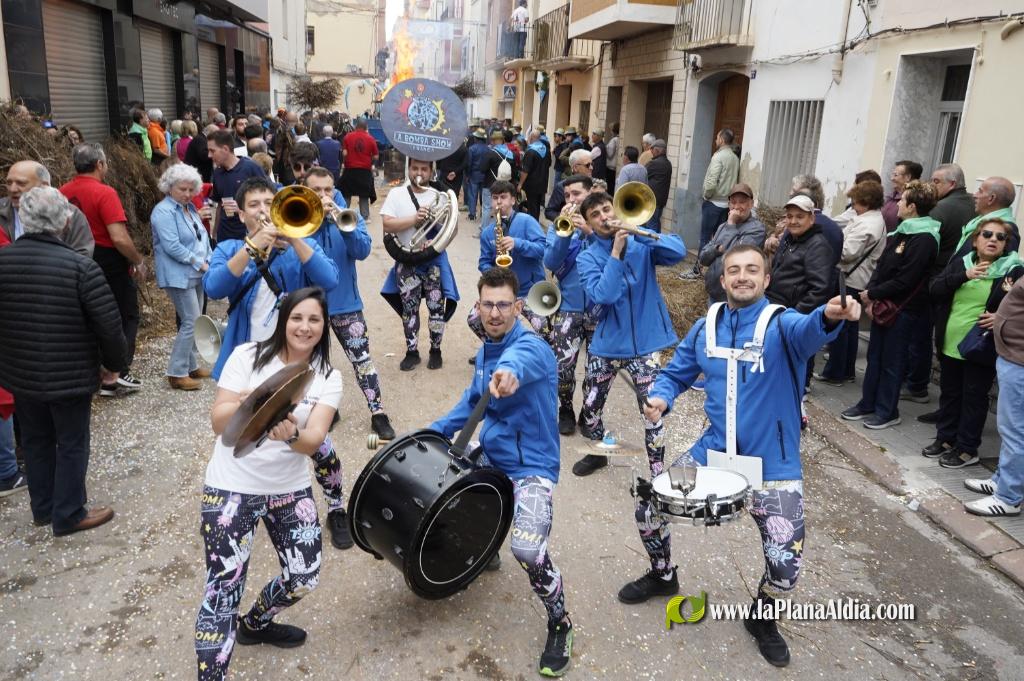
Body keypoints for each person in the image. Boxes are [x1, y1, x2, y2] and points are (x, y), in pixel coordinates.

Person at [632, 245, 857, 667]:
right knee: (649, 508)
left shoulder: (782, 325)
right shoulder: (705, 326)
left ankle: (761, 617)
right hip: (714, 452)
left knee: (785, 571)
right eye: (734, 270)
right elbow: (676, 372)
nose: (742, 277)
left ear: (766, 280)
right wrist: (660, 398)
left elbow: (811, 330)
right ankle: (663, 576)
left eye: (752, 270)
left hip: (774, 466)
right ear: (722, 280)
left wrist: (830, 315)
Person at [430, 267, 573, 677]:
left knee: (528, 552)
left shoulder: (531, 348)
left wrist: (508, 375)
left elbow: (517, 362)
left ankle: (560, 622)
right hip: (491, 450)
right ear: (478, 306)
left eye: (503, 305)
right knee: (441, 483)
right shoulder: (487, 347)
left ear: (518, 307)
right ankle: (486, 547)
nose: (495, 313)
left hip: (530, 465)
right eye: (488, 304)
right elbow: (468, 404)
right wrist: (428, 433)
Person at [194, 288, 341, 679]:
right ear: (283, 320)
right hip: (231, 486)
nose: (304, 327)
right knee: (223, 590)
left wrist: (291, 434)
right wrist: (251, 404)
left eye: (314, 320)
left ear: (324, 326)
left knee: (304, 575)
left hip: (288, 488)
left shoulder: (328, 377)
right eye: (297, 318)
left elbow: (313, 441)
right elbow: (218, 420)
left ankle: (255, 624)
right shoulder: (246, 356)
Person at [0, 186, 128, 535]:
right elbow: (108, 325)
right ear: (66, 219)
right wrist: (114, 366)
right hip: (70, 375)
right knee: (71, 441)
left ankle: (43, 508)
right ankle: (69, 513)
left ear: (24, 218)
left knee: (37, 440)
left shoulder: (4, 260)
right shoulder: (80, 267)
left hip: (22, 372)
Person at [572, 191, 687, 476]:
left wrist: (639, 231)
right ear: (588, 223)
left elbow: (679, 252)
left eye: (606, 209)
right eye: (595, 215)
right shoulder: (587, 257)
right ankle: (599, 452)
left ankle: (658, 474)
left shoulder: (641, 244)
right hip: (607, 344)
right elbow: (604, 295)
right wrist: (615, 254)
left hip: (646, 344)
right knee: (590, 408)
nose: (604, 218)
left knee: (652, 413)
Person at [303, 167, 395, 440]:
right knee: (314, 362)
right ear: (305, 190)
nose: (323, 195)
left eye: (327, 189)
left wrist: (342, 225)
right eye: (316, 190)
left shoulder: (348, 215)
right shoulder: (297, 215)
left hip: (346, 304)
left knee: (362, 360)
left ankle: (378, 412)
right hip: (309, 306)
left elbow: (363, 250)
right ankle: (326, 409)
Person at [924, 218, 1023, 469]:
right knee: (950, 394)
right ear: (975, 240)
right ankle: (945, 439)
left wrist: (1001, 317)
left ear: (1006, 245)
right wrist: (963, 276)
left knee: (974, 398)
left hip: (980, 346)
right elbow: (935, 290)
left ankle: (967, 449)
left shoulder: (1014, 270)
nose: (993, 240)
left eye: (1000, 237)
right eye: (987, 234)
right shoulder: (963, 263)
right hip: (950, 340)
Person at [842, 180, 939, 430]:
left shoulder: (925, 238)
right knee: (876, 357)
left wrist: (872, 292)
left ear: (913, 206)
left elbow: (907, 279)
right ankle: (868, 403)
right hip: (883, 304)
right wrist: (871, 291)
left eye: (903, 200)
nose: (897, 204)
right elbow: (882, 266)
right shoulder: (902, 231)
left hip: (903, 309)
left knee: (892, 362)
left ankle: (887, 410)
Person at [60, 143, 147, 395]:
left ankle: (101, 371)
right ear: (99, 164)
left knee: (91, 316)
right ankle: (118, 372)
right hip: (108, 258)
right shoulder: (105, 192)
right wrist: (137, 259)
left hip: (75, 257)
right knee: (125, 314)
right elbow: (118, 237)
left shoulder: (62, 191)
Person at [379, 157, 460, 371]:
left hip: (434, 262)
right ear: (408, 169)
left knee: (436, 309)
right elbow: (387, 224)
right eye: (415, 168)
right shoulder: (397, 194)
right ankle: (411, 351)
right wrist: (414, 219)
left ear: (431, 171)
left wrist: (437, 240)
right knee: (409, 309)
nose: (419, 173)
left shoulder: (439, 196)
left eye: (424, 169)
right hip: (407, 260)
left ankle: (436, 350)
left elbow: (452, 229)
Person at [963, 275, 1024, 516]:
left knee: (1014, 431)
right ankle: (1001, 480)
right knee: (1010, 429)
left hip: (1019, 362)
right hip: (1013, 358)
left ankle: (1008, 497)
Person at [815, 180, 886, 385]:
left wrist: (826, 246)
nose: (852, 206)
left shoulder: (867, 224)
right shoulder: (870, 219)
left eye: (855, 202)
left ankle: (836, 372)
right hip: (855, 278)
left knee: (841, 325)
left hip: (850, 279)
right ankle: (845, 370)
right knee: (850, 327)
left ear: (865, 201)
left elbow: (847, 253)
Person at [150, 163, 213, 390]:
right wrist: (202, 263)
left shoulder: (189, 208)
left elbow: (201, 238)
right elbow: (172, 246)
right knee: (191, 321)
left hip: (196, 272)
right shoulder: (163, 211)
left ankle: (191, 365)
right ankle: (176, 372)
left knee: (196, 321)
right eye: (181, 189)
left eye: (190, 189)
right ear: (169, 188)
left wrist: (210, 259)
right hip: (178, 275)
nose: (187, 194)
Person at [544, 174, 596, 435]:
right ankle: (565, 408)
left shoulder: (603, 222)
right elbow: (551, 262)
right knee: (563, 366)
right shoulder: (558, 226)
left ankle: (590, 412)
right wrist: (566, 233)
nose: (572, 200)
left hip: (601, 309)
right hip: (569, 307)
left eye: (577, 194)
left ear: (590, 193)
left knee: (596, 370)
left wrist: (590, 231)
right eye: (567, 195)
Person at [469, 181, 547, 341]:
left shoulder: (526, 221)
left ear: (513, 200)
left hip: (528, 292)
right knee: (474, 319)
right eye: (495, 197)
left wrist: (518, 243)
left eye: (503, 197)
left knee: (543, 328)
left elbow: (544, 249)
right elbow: (483, 262)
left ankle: (529, 354)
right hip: (501, 292)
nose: (498, 202)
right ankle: (497, 347)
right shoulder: (487, 233)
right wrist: (492, 272)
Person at [2, 160, 94, 256]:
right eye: (9, 183)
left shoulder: (70, 214)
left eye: (21, 183)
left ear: (44, 186)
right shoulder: (2, 210)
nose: (12, 189)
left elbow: (83, 254)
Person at [765, 195, 835, 314]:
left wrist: (795, 314)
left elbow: (820, 290)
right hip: (773, 304)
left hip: (788, 312)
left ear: (812, 219)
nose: (793, 221)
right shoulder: (790, 238)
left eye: (800, 217)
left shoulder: (818, 246)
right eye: (789, 216)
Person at [698, 183, 765, 303]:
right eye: (733, 202)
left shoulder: (757, 229)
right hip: (715, 291)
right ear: (729, 205)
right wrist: (716, 249)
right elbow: (703, 258)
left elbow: (736, 257)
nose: (737, 206)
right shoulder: (723, 226)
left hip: (735, 295)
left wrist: (730, 226)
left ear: (751, 204)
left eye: (742, 202)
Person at [208, 129, 267, 242]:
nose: (209, 155)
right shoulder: (217, 173)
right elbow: (220, 205)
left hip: (248, 235)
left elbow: (268, 200)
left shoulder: (251, 168)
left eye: (212, 151)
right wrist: (214, 233)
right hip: (224, 236)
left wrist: (241, 207)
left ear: (225, 149)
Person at [699, 129, 740, 251]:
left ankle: (699, 268)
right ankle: (713, 267)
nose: (716, 140)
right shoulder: (735, 158)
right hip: (726, 205)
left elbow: (711, 182)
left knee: (705, 238)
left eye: (717, 138)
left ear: (721, 140)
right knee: (720, 239)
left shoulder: (718, 156)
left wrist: (706, 195)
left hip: (713, 203)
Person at [339, 118, 379, 220]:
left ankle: (343, 214)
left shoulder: (347, 137)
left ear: (356, 126)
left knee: (346, 193)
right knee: (364, 194)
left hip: (350, 169)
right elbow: (376, 156)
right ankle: (365, 216)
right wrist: (372, 163)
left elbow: (344, 153)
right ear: (366, 127)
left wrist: (345, 162)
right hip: (364, 171)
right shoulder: (371, 139)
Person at [481, 130, 519, 233]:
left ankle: (484, 231)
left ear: (493, 141)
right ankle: (503, 230)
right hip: (506, 186)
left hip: (490, 184)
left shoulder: (490, 153)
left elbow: (482, 168)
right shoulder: (511, 154)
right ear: (502, 140)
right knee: (504, 208)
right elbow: (515, 171)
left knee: (487, 208)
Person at [544, 149, 593, 223]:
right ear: (575, 167)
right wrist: (565, 218)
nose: (591, 168)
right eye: (588, 165)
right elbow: (549, 212)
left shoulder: (595, 184)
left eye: (592, 164)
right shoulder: (561, 186)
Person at [881, 160, 922, 231]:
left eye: (895, 175)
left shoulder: (914, 201)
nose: (892, 178)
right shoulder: (891, 197)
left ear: (908, 177)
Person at [517, 130, 548, 219]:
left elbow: (525, 170)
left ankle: (532, 226)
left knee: (531, 207)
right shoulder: (546, 149)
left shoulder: (530, 151)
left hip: (531, 184)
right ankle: (536, 223)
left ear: (532, 138)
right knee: (537, 206)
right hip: (543, 182)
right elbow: (548, 164)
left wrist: (520, 184)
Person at [644, 140, 672, 233]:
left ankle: (652, 246)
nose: (651, 152)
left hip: (653, 199)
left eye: (652, 150)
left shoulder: (654, 163)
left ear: (657, 150)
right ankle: (658, 243)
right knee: (656, 222)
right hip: (661, 200)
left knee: (651, 226)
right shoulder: (668, 163)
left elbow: (643, 174)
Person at [465, 128, 488, 220]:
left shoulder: (472, 149)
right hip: (485, 175)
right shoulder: (488, 149)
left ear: (476, 138)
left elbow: (469, 163)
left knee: (472, 194)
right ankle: (483, 213)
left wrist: (467, 175)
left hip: (474, 174)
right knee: (484, 195)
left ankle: (472, 214)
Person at [604, 123, 620, 191]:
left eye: (611, 130)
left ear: (614, 130)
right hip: (616, 166)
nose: (611, 132)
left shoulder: (614, 140)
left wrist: (605, 148)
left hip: (611, 167)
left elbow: (610, 154)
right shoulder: (620, 139)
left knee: (609, 186)